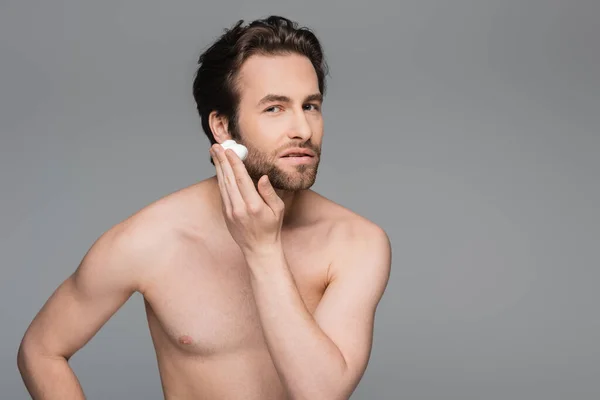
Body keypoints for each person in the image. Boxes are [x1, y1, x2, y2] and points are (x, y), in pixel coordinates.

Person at [17, 15, 392, 400]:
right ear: (223, 128)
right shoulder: (152, 238)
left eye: (310, 106)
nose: (303, 129)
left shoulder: (356, 242)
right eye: (275, 109)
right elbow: (41, 351)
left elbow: (321, 393)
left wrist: (262, 250)